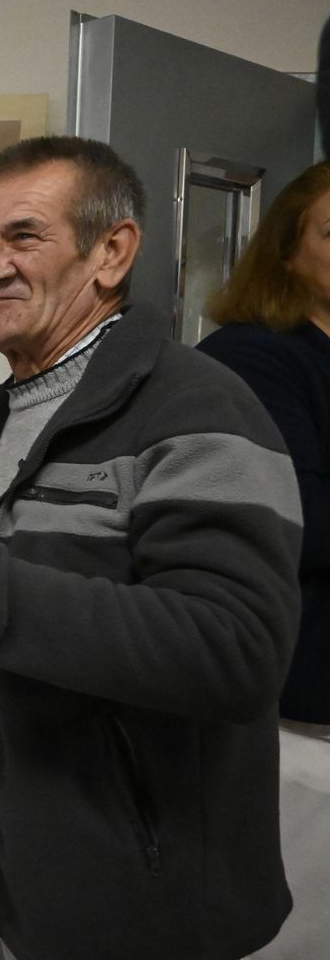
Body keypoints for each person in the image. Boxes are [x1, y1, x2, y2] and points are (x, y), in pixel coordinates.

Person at [0, 136, 302, 960]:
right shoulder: (13, 408)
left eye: (23, 237)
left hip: (117, 910)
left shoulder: (202, 407)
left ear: (112, 252)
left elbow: (236, 651)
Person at [197, 161, 330, 960]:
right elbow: (300, 522)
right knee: (297, 926)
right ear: (287, 249)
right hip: (298, 703)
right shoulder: (257, 357)